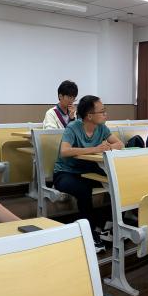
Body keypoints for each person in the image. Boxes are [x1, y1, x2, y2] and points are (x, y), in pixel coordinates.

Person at [54, 95, 123, 251]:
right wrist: (95, 149)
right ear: (89, 116)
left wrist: (108, 147)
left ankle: (106, 225)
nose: (105, 114)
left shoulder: (102, 128)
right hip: (65, 173)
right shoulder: (73, 127)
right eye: (102, 111)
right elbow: (64, 151)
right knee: (83, 190)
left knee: (115, 181)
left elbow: (119, 144)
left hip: (87, 170)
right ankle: (89, 233)